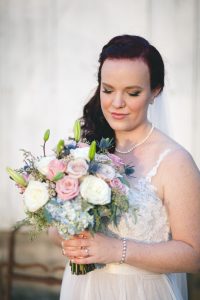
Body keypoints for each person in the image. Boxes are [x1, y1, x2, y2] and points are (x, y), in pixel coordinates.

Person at [49, 35, 200, 300]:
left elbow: (194, 255)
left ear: (155, 91)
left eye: (132, 93)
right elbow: (56, 231)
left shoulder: (175, 161)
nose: (116, 103)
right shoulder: (85, 151)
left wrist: (116, 250)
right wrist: (67, 235)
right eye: (108, 90)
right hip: (82, 289)